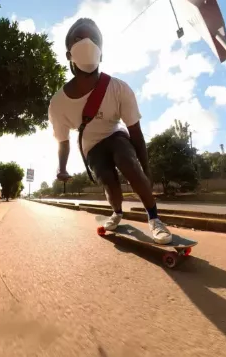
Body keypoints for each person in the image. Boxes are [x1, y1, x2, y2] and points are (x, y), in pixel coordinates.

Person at [47, 18, 172, 244]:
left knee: (127, 160)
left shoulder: (118, 88)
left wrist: (145, 171)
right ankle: (117, 212)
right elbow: (62, 141)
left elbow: (136, 133)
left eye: (94, 39)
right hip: (91, 147)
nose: (87, 42)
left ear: (101, 55)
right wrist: (62, 168)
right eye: (79, 38)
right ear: (68, 54)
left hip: (115, 135)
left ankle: (154, 218)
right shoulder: (58, 103)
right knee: (110, 184)